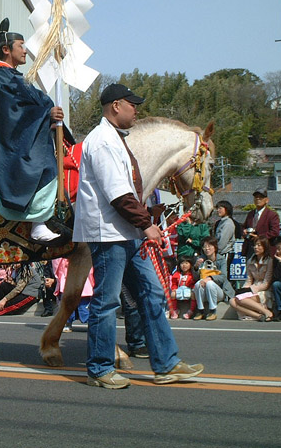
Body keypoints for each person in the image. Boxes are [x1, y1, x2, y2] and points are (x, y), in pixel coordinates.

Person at [73, 83, 203, 389]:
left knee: (151, 293)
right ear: (116, 106)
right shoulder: (103, 141)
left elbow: (125, 193)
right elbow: (118, 195)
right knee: (106, 302)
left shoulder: (117, 139)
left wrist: (148, 214)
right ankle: (100, 368)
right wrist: (146, 225)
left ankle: (166, 364)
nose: (137, 110)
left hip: (126, 231)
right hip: (109, 235)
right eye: (133, 105)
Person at [0, 20, 65, 243]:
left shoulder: (18, 78)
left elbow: (39, 103)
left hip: (31, 134)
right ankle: (38, 224)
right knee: (45, 165)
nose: (25, 50)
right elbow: (13, 116)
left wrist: (50, 113)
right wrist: (45, 116)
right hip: (14, 143)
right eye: (21, 45)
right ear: (6, 49)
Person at [229, 237, 274, 322]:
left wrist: (251, 290)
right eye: (255, 245)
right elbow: (249, 280)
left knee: (241, 299)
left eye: (259, 245)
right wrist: (244, 290)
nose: (256, 247)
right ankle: (258, 316)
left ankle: (266, 311)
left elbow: (266, 283)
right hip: (253, 288)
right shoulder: (250, 261)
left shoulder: (269, 261)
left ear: (265, 247)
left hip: (265, 290)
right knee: (232, 301)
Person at [192, 237, 234, 321]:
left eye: (209, 246)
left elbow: (223, 277)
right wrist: (196, 267)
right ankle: (200, 310)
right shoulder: (201, 259)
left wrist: (210, 278)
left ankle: (212, 311)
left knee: (210, 284)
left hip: (219, 291)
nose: (207, 248)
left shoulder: (221, 260)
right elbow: (195, 278)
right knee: (198, 284)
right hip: (205, 291)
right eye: (204, 247)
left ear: (215, 247)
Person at [241, 188, 280, 259]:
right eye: (256, 197)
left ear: (266, 200)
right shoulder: (251, 214)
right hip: (250, 248)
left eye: (261, 197)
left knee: (265, 269)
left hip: (265, 249)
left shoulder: (272, 215)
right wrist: (244, 231)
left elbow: (275, 232)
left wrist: (259, 237)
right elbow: (244, 227)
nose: (258, 199)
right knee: (251, 268)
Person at [214, 200, 236, 278]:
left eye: (220, 208)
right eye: (217, 208)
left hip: (225, 253)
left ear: (226, 209)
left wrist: (215, 251)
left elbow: (223, 241)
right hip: (220, 253)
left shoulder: (228, 223)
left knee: (223, 276)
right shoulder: (221, 222)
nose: (218, 210)